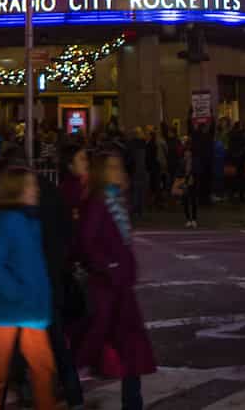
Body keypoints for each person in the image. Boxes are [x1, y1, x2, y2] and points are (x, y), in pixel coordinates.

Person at [70, 150, 155, 410]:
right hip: (108, 289)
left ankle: (132, 402)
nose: (120, 172)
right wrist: (111, 266)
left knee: (130, 350)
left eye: (120, 166)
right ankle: (67, 386)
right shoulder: (99, 202)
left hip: (120, 288)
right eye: (114, 167)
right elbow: (87, 241)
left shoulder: (117, 199)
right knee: (98, 346)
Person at [0, 167, 56, 410]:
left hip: (22, 307)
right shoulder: (9, 220)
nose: (36, 189)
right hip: (14, 307)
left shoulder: (27, 219)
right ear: (17, 189)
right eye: (30, 185)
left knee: (36, 369)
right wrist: (20, 294)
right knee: (2, 373)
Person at [178, 136, 199, 228]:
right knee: (186, 201)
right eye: (186, 153)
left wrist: (193, 176)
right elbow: (179, 172)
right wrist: (182, 179)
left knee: (193, 200)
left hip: (193, 180)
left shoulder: (195, 160)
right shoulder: (182, 161)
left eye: (188, 153)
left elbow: (198, 170)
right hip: (185, 181)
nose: (187, 154)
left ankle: (194, 219)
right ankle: (188, 219)